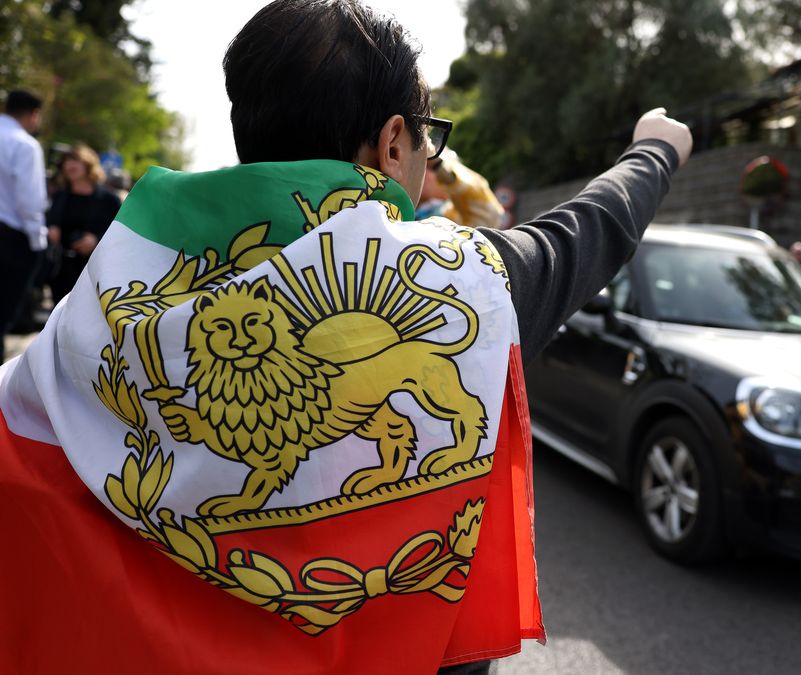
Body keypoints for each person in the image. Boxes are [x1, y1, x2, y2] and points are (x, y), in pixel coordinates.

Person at [0, 1, 693, 673]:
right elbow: (588, 232)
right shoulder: (462, 280)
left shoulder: (112, 288)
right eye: (429, 133)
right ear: (394, 141)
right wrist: (654, 151)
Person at [0, 90, 48, 363]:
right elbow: (29, 202)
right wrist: (37, 243)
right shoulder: (25, 145)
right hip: (10, 239)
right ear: (33, 115)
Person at [46, 143, 123, 303]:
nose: (69, 165)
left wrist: (95, 240)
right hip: (60, 268)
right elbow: (48, 220)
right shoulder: (60, 195)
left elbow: (121, 233)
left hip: (92, 270)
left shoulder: (109, 200)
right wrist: (52, 229)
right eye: (66, 161)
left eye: (75, 160)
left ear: (89, 165)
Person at [416, 148, 505, 230]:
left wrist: (438, 165)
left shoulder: (452, 219)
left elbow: (491, 215)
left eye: (427, 166)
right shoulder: (410, 211)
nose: (422, 171)